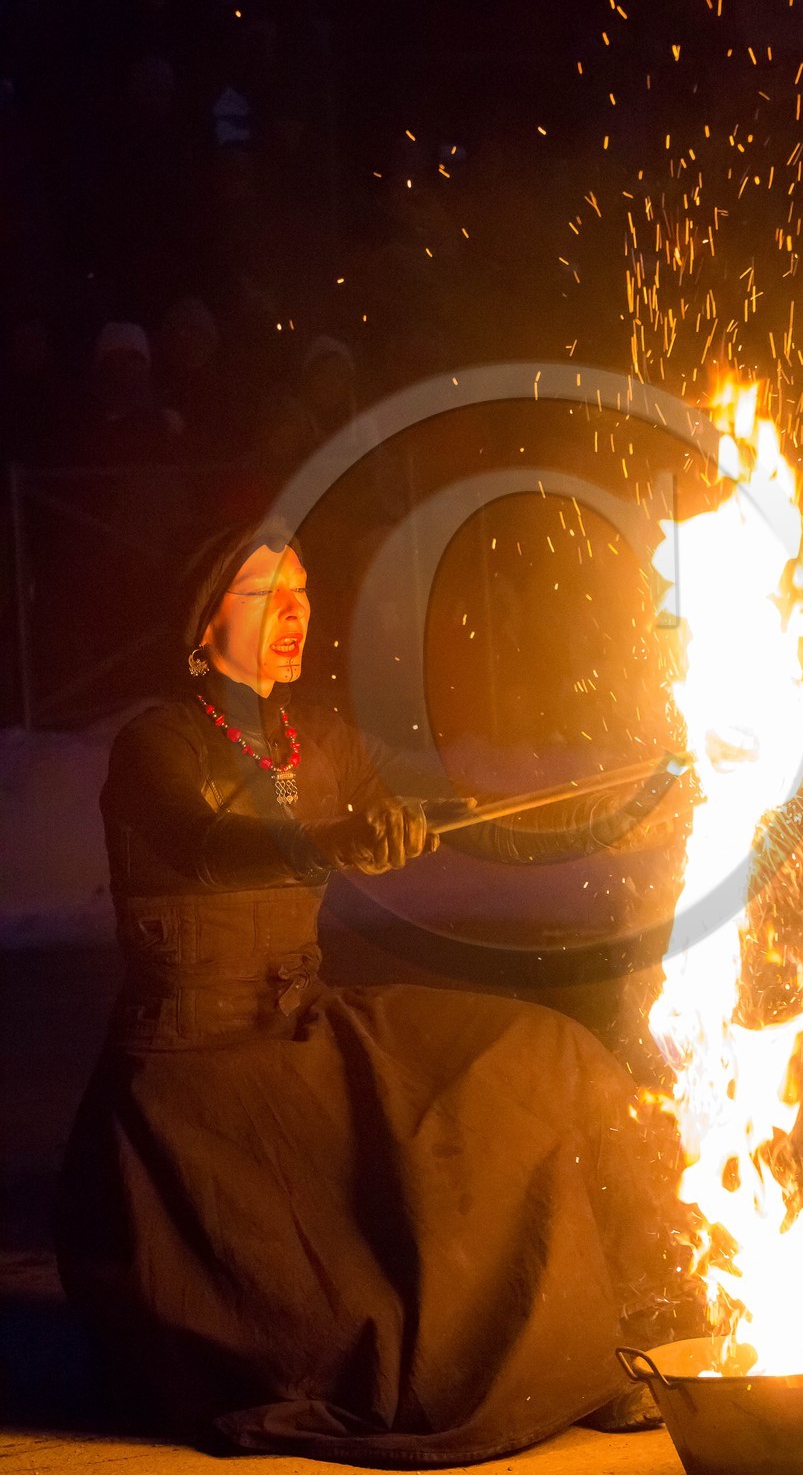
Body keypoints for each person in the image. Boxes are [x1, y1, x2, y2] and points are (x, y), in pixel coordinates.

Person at [56, 518, 695, 1466]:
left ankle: (586, 1345)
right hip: (196, 1066)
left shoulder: (318, 737)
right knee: (370, 1229)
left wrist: (610, 804)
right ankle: (469, 1363)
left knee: (539, 1052)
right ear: (201, 625)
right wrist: (327, 839)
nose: (293, 614)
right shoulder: (160, 742)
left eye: (304, 595)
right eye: (265, 595)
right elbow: (204, 843)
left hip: (304, 1018)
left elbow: (452, 806)